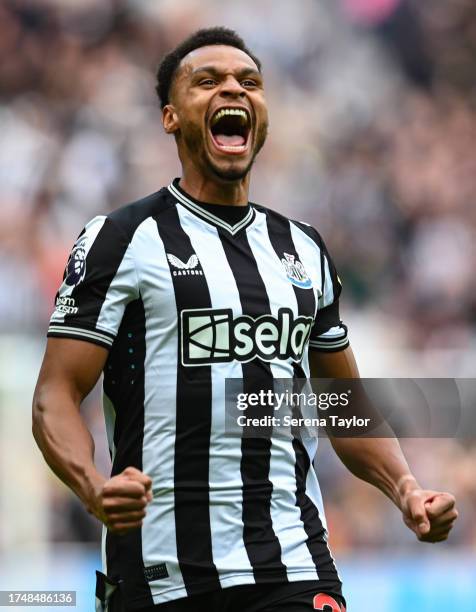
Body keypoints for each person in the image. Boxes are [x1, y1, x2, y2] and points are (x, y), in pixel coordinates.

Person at [32, 27, 458, 612]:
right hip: (164, 577)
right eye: (206, 80)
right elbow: (56, 391)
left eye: (248, 81)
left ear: (261, 118)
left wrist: (405, 489)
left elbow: (341, 401)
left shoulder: (304, 249)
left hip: (294, 566)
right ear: (170, 117)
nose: (232, 87)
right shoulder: (121, 239)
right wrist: (93, 487)